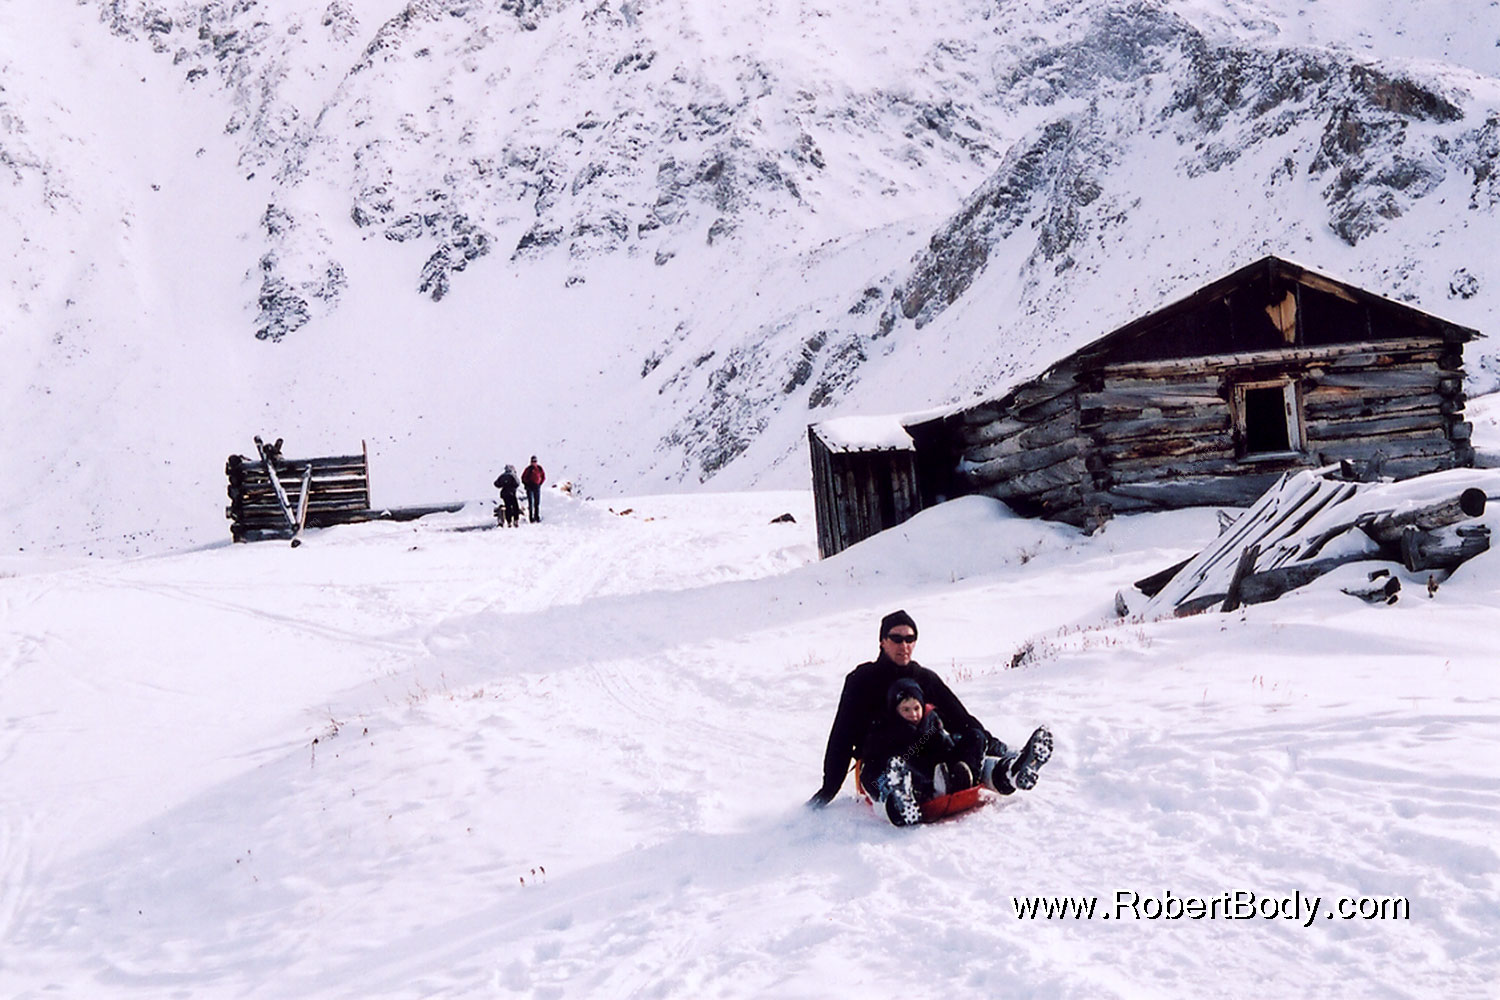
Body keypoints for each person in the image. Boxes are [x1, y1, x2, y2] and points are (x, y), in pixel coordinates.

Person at [806, 609, 1053, 826]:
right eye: (897, 638)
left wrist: (998, 748)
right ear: (882, 641)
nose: (904, 645)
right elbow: (841, 736)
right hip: (880, 761)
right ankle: (897, 802)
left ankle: (1007, 771)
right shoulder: (862, 680)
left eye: (910, 639)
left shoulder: (924, 678)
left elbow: (961, 719)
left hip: (929, 754)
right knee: (884, 776)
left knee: (969, 741)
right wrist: (828, 790)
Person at [859, 678, 975, 825]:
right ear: (896, 711)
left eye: (916, 708)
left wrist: (954, 758)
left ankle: (951, 783)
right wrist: (878, 786)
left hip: (927, 771)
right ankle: (899, 800)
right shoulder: (885, 730)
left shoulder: (930, 722)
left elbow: (945, 746)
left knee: (969, 739)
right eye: (906, 709)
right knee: (889, 770)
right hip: (889, 775)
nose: (913, 714)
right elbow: (872, 761)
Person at [521, 455, 546, 523]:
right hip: (530, 487)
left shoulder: (539, 468)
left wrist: (539, 484)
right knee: (531, 503)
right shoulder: (528, 469)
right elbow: (523, 478)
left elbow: (543, 477)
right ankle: (531, 518)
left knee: (537, 503)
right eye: (532, 461)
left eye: (535, 461)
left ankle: (536, 517)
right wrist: (527, 484)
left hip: (537, 487)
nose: (534, 463)